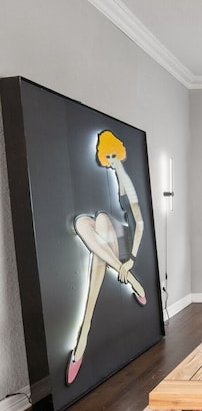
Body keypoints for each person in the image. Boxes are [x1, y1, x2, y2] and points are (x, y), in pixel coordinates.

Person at [66, 130, 146, 385]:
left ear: (119, 152)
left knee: (101, 220)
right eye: (107, 156)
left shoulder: (126, 181)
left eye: (113, 155)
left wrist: (131, 257)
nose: (111, 160)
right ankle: (132, 281)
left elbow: (140, 223)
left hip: (124, 240)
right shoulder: (112, 177)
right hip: (110, 244)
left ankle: (84, 332)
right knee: (82, 224)